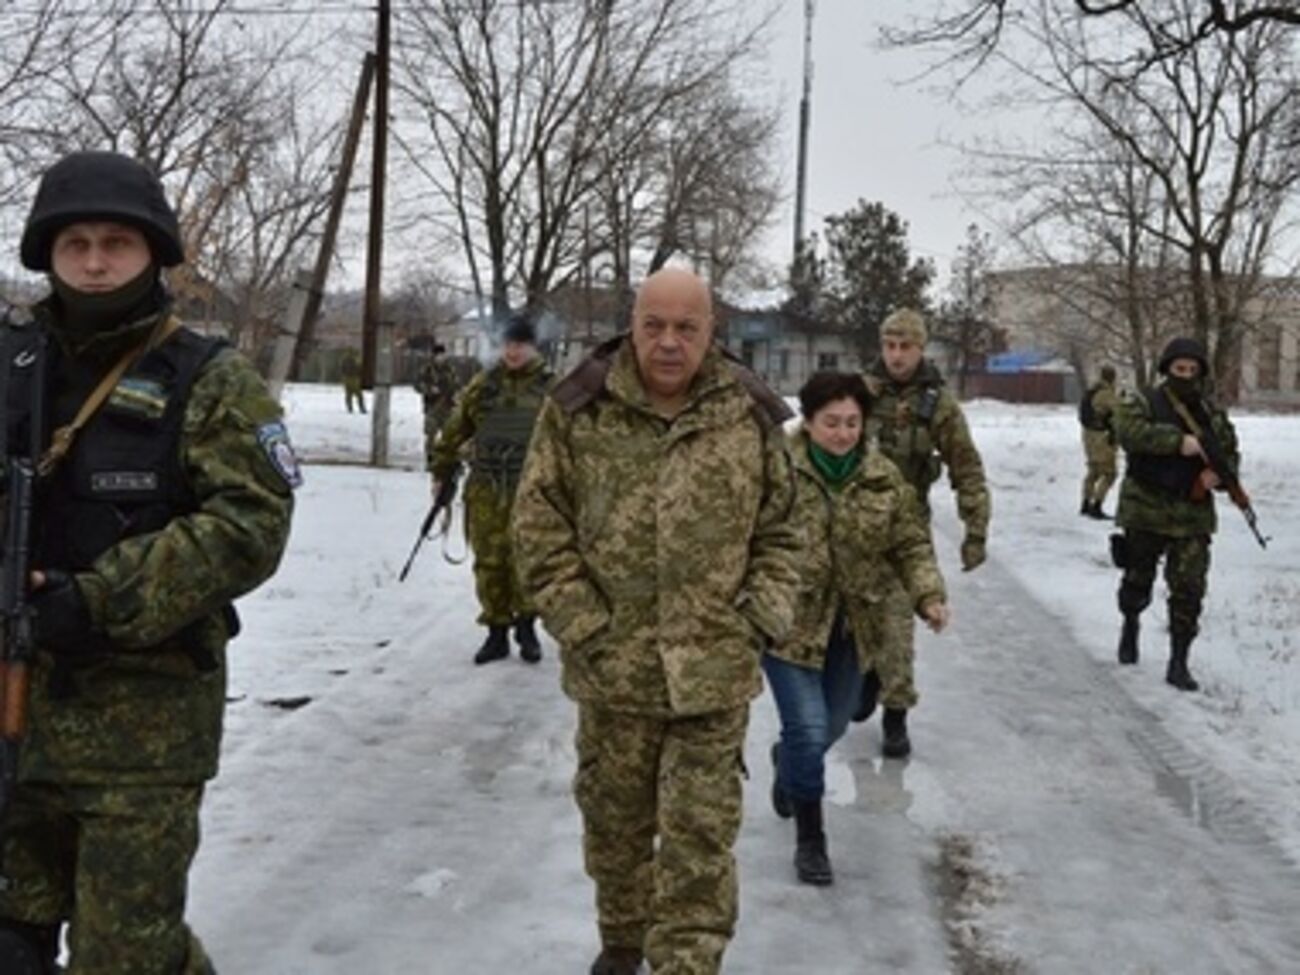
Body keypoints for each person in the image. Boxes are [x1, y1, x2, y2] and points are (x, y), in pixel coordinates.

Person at [0, 150, 297, 973]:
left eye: (117, 243)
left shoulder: (211, 380)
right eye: (76, 244)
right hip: (12, 721)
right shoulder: (11, 364)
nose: (95, 263)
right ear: (48, 254)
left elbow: (250, 524)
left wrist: (96, 600)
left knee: (125, 952)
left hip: (143, 734)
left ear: (153, 252)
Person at [512, 267, 802, 975]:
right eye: (654, 325)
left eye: (687, 328)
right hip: (614, 674)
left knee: (700, 841)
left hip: (713, 677)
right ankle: (620, 943)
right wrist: (585, 626)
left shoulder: (749, 413)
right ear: (632, 325)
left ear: (711, 333)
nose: (669, 342)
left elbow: (788, 533)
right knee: (615, 830)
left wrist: (755, 621)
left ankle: (686, 962)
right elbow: (537, 525)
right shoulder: (579, 408)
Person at [766, 371, 947, 886]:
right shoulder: (777, 469)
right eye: (831, 423)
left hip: (851, 628)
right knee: (806, 726)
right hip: (788, 625)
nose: (843, 433)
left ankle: (790, 764)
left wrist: (928, 594)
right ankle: (811, 839)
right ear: (809, 420)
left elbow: (910, 544)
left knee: (835, 724)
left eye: (852, 423)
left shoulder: (882, 478)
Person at [859, 307, 990, 758]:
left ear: (920, 348)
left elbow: (966, 467)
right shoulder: (857, 394)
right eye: (889, 346)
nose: (896, 356)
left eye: (906, 347)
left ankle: (896, 714)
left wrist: (976, 528)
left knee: (898, 628)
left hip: (904, 529)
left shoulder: (937, 404)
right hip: (852, 529)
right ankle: (863, 679)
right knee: (847, 625)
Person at [1112, 337, 1238, 692]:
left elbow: (1228, 451)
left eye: (1192, 370)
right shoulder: (1143, 402)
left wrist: (1220, 475)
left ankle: (1179, 661)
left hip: (1192, 513)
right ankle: (1131, 621)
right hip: (1146, 507)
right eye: (1179, 369)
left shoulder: (1209, 413)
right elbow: (1129, 433)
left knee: (1189, 589)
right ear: (1167, 369)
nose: (1185, 375)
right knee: (1138, 577)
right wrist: (1176, 442)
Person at [430, 314, 552, 665]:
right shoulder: (482, 387)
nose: (513, 352)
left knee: (528, 562)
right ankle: (496, 632)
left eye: (520, 345)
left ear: (532, 347)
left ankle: (527, 628)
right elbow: (454, 433)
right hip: (486, 489)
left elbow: (572, 442)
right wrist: (441, 471)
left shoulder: (551, 389)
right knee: (489, 562)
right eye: (508, 345)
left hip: (532, 491)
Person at [1079, 364, 1120, 518]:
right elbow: (1119, 413)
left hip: (1088, 436)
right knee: (1110, 473)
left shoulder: (1092, 391)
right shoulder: (1106, 394)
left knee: (1093, 471)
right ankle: (1097, 505)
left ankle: (1085, 503)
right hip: (1101, 437)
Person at [414, 341, 459, 466]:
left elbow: (456, 384)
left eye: (443, 355)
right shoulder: (427, 369)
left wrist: (456, 395)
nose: (441, 358)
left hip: (447, 407)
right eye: (438, 355)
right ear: (434, 356)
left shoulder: (450, 369)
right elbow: (417, 384)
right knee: (431, 435)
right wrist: (429, 389)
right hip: (432, 407)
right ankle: (430, 458)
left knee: (449, 435)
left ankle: (445, 460)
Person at [340, 347, 365, 414]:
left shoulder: (344, 359)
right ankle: (361, 408)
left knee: (349, 395)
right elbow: (358, 368)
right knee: (359, 395)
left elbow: (342, 369)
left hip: (347, 378)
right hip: (353, 379)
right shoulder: (355, 359)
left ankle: (350, 408)